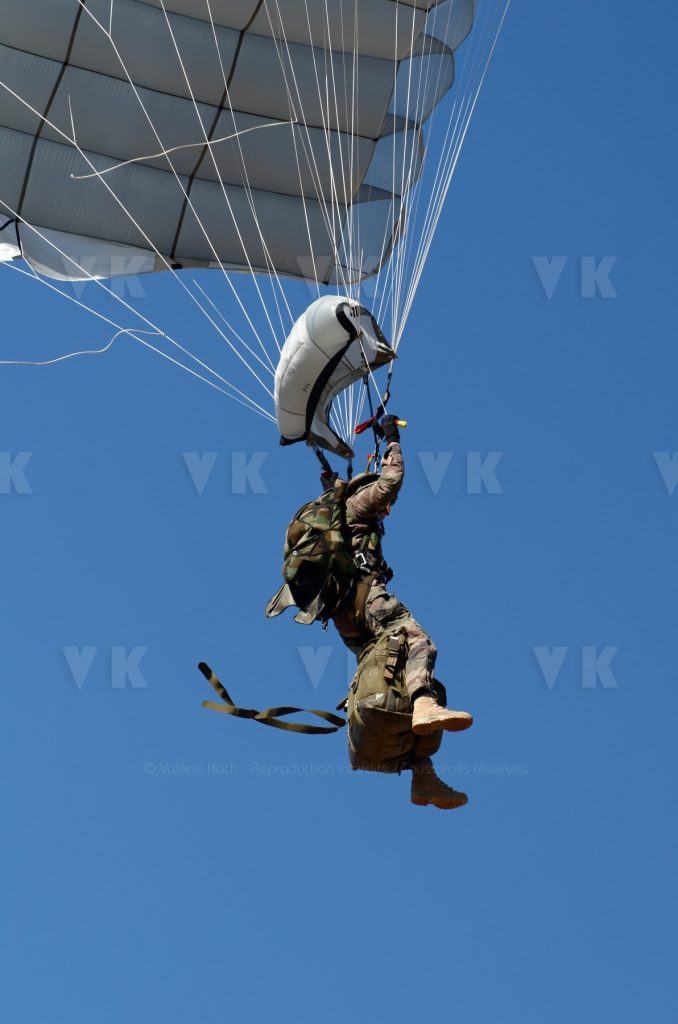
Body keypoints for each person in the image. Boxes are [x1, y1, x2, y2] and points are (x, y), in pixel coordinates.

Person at [327, 415, 474, 810]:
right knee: (417, 639)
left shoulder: (342, 520)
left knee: (389, 673)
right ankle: (425, 702)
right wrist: (392, 438)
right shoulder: (359, 506)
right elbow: (391, 480)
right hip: (365, 598)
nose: (387, 511)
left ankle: (422, 778)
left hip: (348, 619)